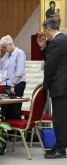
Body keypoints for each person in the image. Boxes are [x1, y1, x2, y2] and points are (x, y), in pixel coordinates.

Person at [37, 18, 67, 159]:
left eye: (44, 30)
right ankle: (60, 145)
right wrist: (43, 48)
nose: (44, 33)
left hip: (59, 85)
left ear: (48, 28)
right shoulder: (63, 39)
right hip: (64, 85)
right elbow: (55, 58)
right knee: (62, 118)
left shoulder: (56, 41)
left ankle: (60, 149)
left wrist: (45, 85)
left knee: (59, 119)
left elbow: (50, 66)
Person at [0, 35, 26, 120]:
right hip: (7, 84)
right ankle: (8, 132)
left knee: (15, 109)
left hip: (17, 84)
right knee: (5, 109)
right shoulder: (7, 54)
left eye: (5, 48)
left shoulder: (19, 53)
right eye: (3, 49)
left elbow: (20, 72)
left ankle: (15, 131)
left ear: (10, 44)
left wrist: (13, 84)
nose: (5, 50)